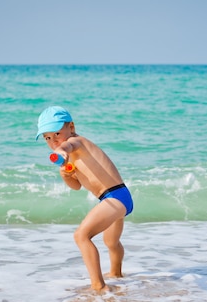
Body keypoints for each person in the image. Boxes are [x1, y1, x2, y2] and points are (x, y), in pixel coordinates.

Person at [36, 106, 134, 291]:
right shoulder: (69, 160)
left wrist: (62, 151)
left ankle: (98, 286)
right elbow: (77, 186)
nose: (53, 141)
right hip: (116, 198)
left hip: (115, 196)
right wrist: (66, 175)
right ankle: (116, 273)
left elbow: (68, 145)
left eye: (57, 133)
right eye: (47, 138)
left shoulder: (77, 142)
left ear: (71, 127)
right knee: (111, 242)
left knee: (81, 235)